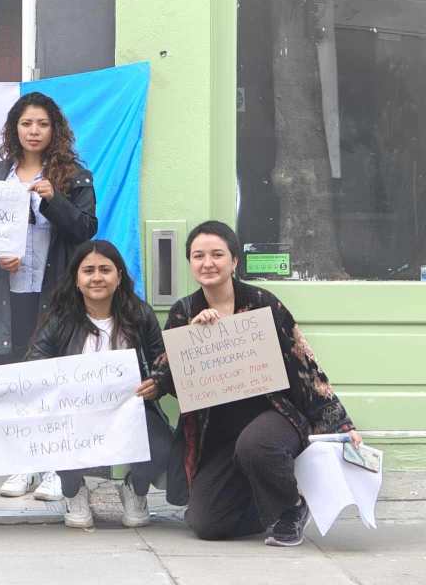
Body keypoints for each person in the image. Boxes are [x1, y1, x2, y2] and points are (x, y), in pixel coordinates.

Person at [150, 220, 361, 546]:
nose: (207, 263)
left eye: (217, 254)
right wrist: (190, 336)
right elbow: (168, 377)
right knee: (206, 524)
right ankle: (263, 500)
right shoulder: (184, 311)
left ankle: (291, 508)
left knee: (256, 445)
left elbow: (305, 366)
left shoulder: (263, 303)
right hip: (219, 434)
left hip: (274, 418)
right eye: (198, 255)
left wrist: (341, 425)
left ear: (234, 261)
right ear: (190, 262)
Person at [0, 240, 170, 529]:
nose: (97, 277)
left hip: (130, 413)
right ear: (77, 279)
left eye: (105, 270)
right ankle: (74, 491)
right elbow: (32, 368)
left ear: (119, 276)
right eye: (88, 270)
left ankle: (135, 490)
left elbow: (160, 360)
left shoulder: (140, 315)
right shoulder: (59, 318)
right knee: (58, 434)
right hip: (73, 416)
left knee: (162, 444)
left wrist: (157, 383)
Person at [0, 92, 99, 503]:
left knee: (53, 380)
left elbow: (85, 231)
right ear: (15, 128)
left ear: (55, 130)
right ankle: (22, 462)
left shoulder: (74, 176)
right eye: (27, 123)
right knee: (15, 378)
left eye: (42, 124)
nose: (34, 131)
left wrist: (52, 199)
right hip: (9, 294)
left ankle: (53, 467)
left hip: (57, 296)